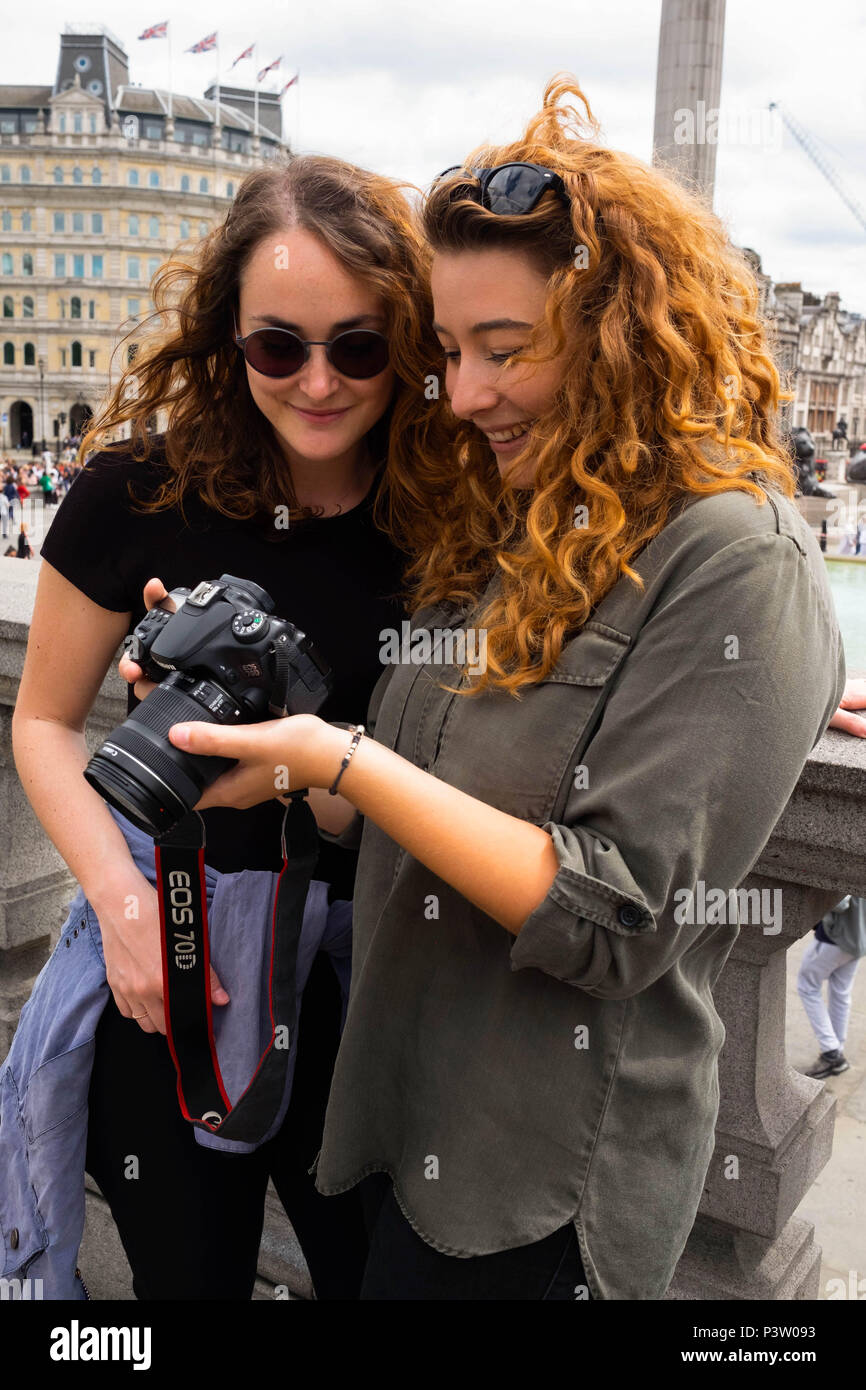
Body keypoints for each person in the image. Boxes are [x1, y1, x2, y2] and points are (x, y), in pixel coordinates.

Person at [134, 78, 848, 1301]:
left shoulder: (733, 559)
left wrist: (348, 762)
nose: (461, 397)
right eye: (450, 352)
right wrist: (291, 754)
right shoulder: (511, 526)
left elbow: (614, 915)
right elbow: (427, 791)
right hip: (398, 1115)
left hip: (540, 1185)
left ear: (622, 334)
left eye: (503, 351)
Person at [9, 153, 445, 1299]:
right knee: (182, 1278)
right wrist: (121, 912)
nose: (317, 381)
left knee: (366, 1275)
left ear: (407, 341)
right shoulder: (133, 492)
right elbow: (46, 725)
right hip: (174, 942)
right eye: (275, 346)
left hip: (368, 967)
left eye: (359, 345)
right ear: (226, 337)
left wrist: (798, 679)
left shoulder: (450, 513)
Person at [798, 895, 866, 1077]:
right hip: (858, 937)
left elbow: (840, 901)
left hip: (835, 938)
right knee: (841, 994)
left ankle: (831, 1052)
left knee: (807, 987)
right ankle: (836, 1051)